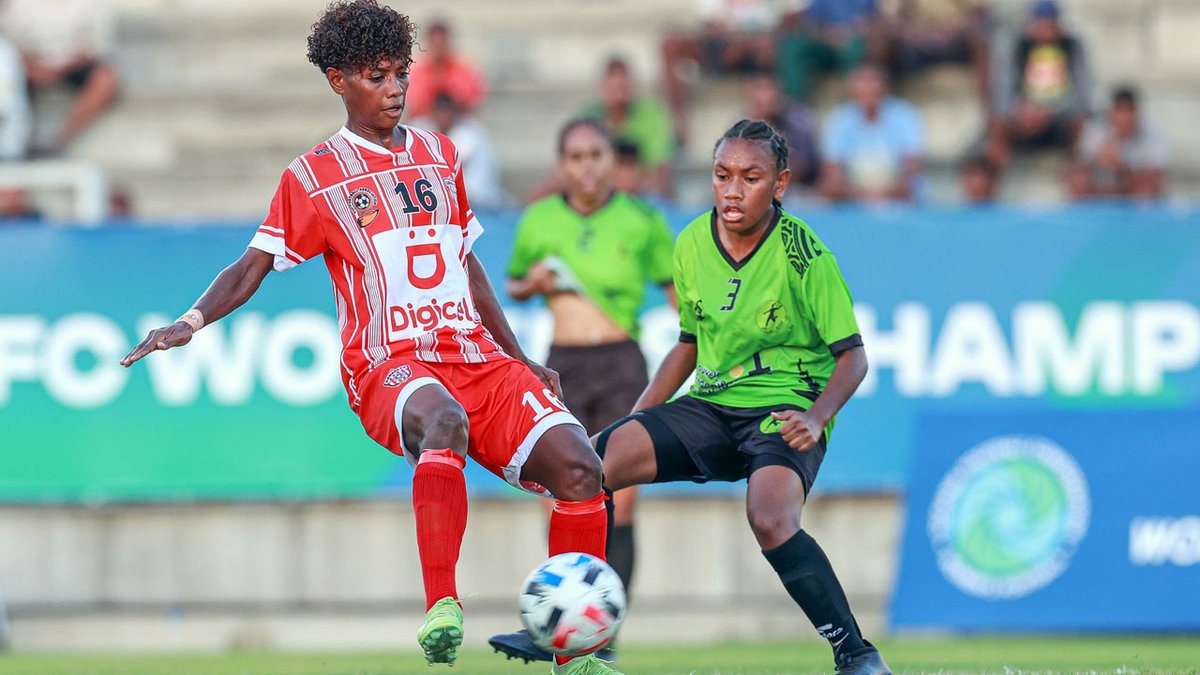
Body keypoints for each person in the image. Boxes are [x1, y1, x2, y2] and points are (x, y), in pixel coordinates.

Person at [119, 3, 618, 674]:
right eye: (377, 75)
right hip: (389, 363)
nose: (394, 89)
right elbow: (251, 265)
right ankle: (443, 605)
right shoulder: (314, 175)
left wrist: (519, 356)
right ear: (338, 81)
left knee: (583, 467)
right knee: (441, 421)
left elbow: (463, 264)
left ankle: (575, 653)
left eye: (400, 74)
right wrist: (189, 321)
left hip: (477, 357)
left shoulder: (443, 154)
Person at [491, 119, 891, 675]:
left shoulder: (804, 254)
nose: (732, 189)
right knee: (587, 467)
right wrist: (641, 418)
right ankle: (566, 631)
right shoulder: (692, 241)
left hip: (783, 408)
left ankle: (855, 652)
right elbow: (688, 343)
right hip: (711, 403)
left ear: (779, 184)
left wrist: (818, 416)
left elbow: (854, 355)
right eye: (722, 175)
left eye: (750, 178)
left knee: (770, 517)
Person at [490, 119, 676, 664]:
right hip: (562, 366)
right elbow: (515, 285)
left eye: (596, 154)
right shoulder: (541, 218)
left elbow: (676, 297)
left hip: (621, 362)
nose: (587, 165)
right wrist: (537, 285)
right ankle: (562, 626)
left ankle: (603, 635)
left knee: (621, 503)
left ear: (610, 161)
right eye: (575, 156)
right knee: (566, 497)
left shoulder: (641, 219)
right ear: (561, 165)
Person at [0, 0, 119, 154]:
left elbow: (95, 46)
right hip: (30, 64)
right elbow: (10, 43)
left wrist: (56, 70)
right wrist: (34, 67)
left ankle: (58, 142)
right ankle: (15, 140)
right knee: (6, 70)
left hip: (74, 64)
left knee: (106, 78)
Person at [985, 0, 1092, 169]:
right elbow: (1003, 93)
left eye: (1049, 23)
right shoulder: (1018, 47)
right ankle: (996, 180)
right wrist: (1021, 110)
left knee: (1081, 126)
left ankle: (1077, 175)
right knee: (998, 127)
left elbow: (1084, 95)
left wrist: (1050, 111)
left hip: (1061, 120)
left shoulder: (1072, 47)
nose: (1045, 29)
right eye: (1040, 23)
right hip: (1023, 119)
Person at [660, 0, 780, 144]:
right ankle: (677, 122)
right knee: (671, 44)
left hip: (756, 42)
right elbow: (707, 24)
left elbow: (778, 23)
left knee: (765, 47)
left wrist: (743, 43)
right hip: (719, 44)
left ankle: (772, 120)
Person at [819, 64, 925, 203]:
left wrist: (886, 193)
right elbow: (832, 167)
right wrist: (861, 195)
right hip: (852, 192)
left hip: (895, 192)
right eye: (863, 91)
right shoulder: (840, 119)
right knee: (828, 187)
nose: (868, 94)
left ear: (884, 90)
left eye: (873, 89)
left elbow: (912, 163)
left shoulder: (904, 115)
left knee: (913, 186)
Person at [1067, 87, 1168, 200]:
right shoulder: (1095, 129)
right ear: (1111, 112)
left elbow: (1156, 175)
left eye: (1128, 111)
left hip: (1131, 190)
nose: (1124, 118)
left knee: (1147, 186)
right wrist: (1099, 155)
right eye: (1120, 111)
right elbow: (1078, 164)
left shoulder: (1152, 133)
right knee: (1079, 180)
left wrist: (1122, 167)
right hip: (1099, 188)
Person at [775, 0, 879, 104]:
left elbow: (873, 20)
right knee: (793, 46)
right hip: (825, 43)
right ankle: (794, 99)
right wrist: (829, 36)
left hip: (854, 42)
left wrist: (851, 32)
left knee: (855, 48)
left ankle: (854, 100)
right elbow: (811, 23)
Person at [416, 93, 507, 210]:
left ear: (454, 113)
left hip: (479, 203)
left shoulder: (470, 132)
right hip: (452, 203)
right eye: (440, 112)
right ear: (434, 113)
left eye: (447, 112)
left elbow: (446, 166)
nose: (444, 117)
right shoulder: (423, 128)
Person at [745, 73, 820, 194]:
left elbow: (802, 166)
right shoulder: (742, 128)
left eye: (770, 89)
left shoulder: (798, 120)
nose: (766, 96)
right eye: (760, 89)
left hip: (796, 188)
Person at [402, 20, 488, 120]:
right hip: (427, 121)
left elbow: (471, 103)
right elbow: (414, 106)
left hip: (458, 121)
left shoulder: (464, 69)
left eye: (442, 43)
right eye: (435, 44)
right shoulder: (416, 71)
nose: (439, 48)